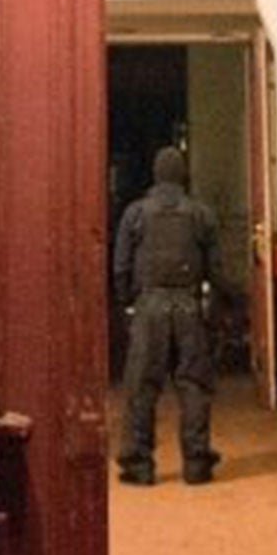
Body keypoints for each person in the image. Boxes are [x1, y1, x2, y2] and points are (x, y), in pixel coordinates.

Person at [112, 145, 220, 486]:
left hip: (149, 305)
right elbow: (216, 268)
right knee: (193, 385)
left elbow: (121, 266)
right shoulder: (201, 214)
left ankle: (140, 464)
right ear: (183, 175)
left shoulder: (136, 214)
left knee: (142, 387)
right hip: (188, 306)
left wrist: (128, 303)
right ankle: (196, 463)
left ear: (156, 175)